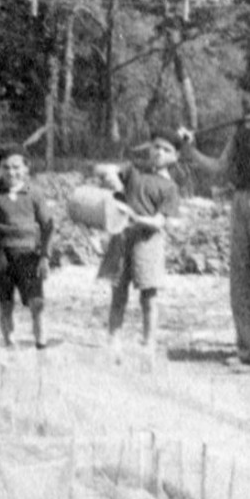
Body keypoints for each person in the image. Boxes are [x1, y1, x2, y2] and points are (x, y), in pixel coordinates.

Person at [177, 67, 250, 366]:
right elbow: (219, 168)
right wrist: (188, 148)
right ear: (246, 98)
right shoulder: (241, 131)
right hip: (241, 204)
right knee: (242, 281)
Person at [98, 129, 183, 359]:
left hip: (148, 242)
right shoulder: (134, 169)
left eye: (167, 150)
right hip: (122, 237)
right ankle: (113, 339)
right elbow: (104, 171)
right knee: (118, 291)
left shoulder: (170, 188)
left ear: (175, 157)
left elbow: (159, 222)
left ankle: (149, 342)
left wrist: (133, 216)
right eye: (156, 147)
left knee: (149, 295)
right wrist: (113, 179)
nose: (159, 153)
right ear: (149, 147)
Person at [0, 147, 54, 350]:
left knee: (36, 303)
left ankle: (41, 344)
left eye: (16, 167)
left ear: (26, 168)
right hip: (1, 254)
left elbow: (48, 226)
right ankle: (10, 344)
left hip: (28, 253)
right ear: (0, 169)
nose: (11, 173)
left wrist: (45, 256)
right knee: (5, 303)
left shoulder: (34, 194)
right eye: (6, 168)